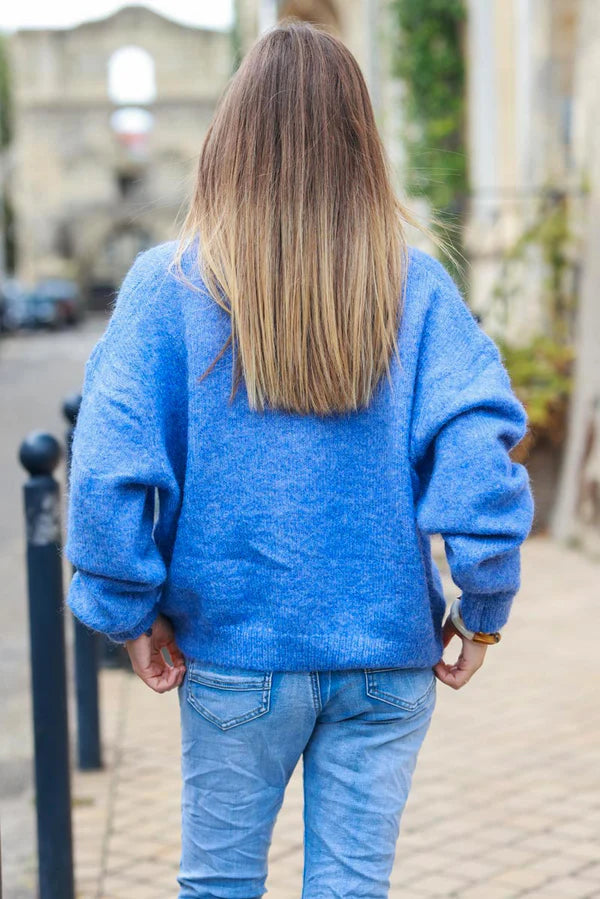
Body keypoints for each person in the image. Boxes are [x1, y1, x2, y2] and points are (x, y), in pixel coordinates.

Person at [64, 19, 535, 899]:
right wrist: (484, 603)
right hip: (387, 656)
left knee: (218, 884)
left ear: (228, 143)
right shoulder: (417, 287)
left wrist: (128, 608)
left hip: (234, 655)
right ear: (363, 146)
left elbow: (105, 469)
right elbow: (480, 452)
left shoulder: (169, 286)